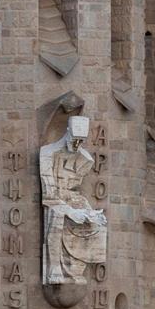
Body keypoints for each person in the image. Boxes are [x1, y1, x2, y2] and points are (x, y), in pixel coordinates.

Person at [39, 115, 107, 285]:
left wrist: (88, 213)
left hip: (72, 198)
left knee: (96, 222)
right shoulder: (47, 153)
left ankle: (76, 269)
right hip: (55, 199)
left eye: (81, 141)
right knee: (57, 218)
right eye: (75, 139)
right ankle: (54, 267)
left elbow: (75, 190)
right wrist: (71, 212)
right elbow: (49, 194)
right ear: (67, 132)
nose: (77, 144)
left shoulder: (86, 159)